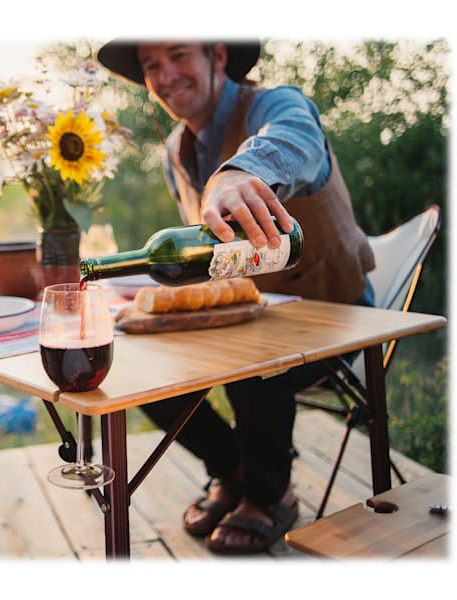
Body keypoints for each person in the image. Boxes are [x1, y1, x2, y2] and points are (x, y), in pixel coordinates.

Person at [96, 40, 375, 554]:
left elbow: (298, 138)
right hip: (247, 316)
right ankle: (233, 469)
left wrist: (242, 172)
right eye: (152, 66)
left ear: (218, 57)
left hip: (336, 316)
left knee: (253, 359)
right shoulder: (175, 151)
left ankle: (271, 497)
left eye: (178, 55)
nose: (165, 75)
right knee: (132, 357)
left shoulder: (273, 103)